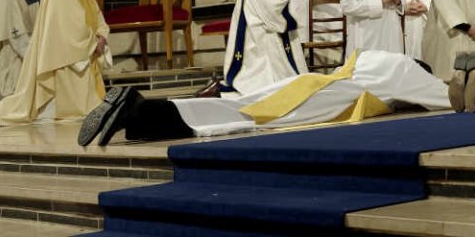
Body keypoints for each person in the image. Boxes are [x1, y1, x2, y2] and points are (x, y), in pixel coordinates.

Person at [79, 50, 449, 147]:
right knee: (243, 116)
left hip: (309, 81)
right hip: (329, 96)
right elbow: (442, 97)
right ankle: (137, 108)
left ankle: (136, 114)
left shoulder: (373, 57)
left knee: (238, 103)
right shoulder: (404, 67)